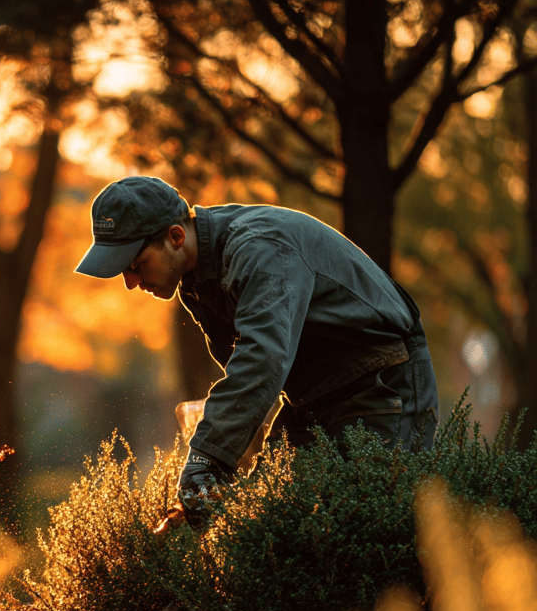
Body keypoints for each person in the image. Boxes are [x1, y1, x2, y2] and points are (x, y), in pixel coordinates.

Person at [76, 175, 439, 532]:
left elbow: (261, 360)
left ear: (175, 236)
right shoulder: (196, 279)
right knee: (264, 524)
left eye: (135, 265)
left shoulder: (259, 248)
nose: (130, 282)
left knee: (372, 532)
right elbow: (249, 374)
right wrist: (223, 462)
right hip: (310, 397)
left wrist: (208, 457)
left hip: (382, 381)